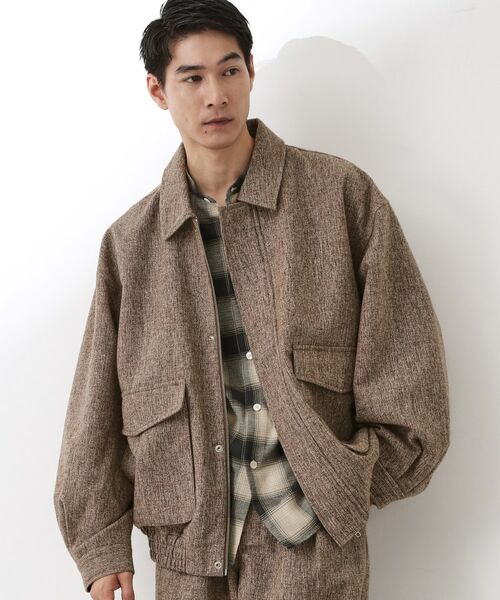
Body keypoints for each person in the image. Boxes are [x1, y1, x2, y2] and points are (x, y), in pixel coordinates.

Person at [53, 1, 451, 598]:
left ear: (251, 73)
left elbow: (408, 365)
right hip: (190, 553)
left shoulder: (339, 196)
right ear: (159, 91)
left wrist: (345, 484)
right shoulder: (131, 244)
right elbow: (95, 408)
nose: (215, 95)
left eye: (229, 70)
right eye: (192, 78)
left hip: (313, 547)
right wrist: (100, 542)